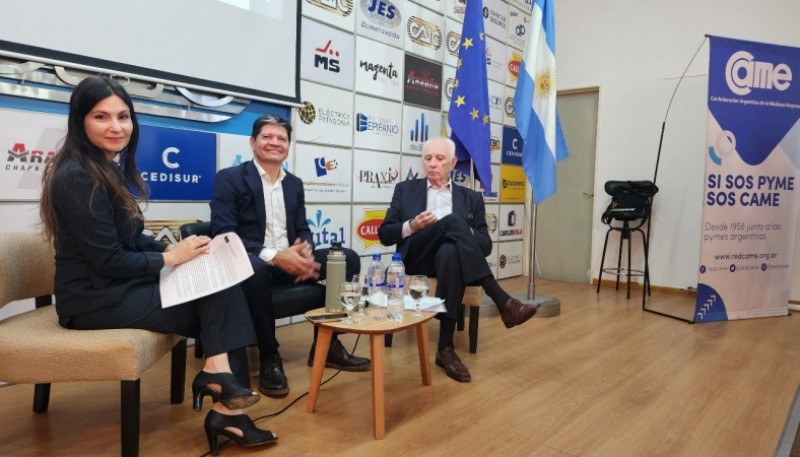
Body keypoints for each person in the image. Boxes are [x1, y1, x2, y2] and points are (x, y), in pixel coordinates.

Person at [39, 75, 276, 454]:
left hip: (118, 287)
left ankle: (219, 382)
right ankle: (224, 405)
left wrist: (184, 251)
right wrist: (169, 259)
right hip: (91, 301)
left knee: (221, 282)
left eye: (123, 116)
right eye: (102, 117)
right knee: (221, 303)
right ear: (80, 121)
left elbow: (131, 239)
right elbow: (107, 260)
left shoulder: (106, 168)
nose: (116, 127)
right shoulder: (75, 177)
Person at [210, 114, 370, 398]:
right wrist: (276, 256)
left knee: (347, 258)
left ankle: (329, 344)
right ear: (252, 142)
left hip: (287, 263)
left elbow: (303, 229)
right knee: (256, 267)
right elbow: (225, 235)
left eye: (281, 138)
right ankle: (269, 355)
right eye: (267, 137)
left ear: (288, 145)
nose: (275, 142)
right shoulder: (229, 179)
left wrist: (303, 254)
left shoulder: (294, 183)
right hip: (253, 262)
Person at [378, 137, 540, 383]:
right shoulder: (405, 189)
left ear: (453, 162)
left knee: (451, 252)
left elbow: (484, 245)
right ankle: (502, 301)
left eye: (439, 159)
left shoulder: (471, 198)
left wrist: (465, 232)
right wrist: (412, 225)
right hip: (417, 257)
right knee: (455, 221)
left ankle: (445, 348)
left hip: (449, 259)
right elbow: (384, 234)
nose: (432, 164)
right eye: (428, 158)